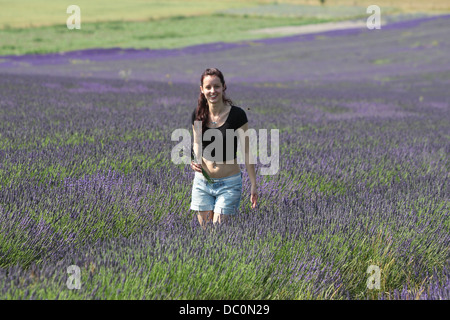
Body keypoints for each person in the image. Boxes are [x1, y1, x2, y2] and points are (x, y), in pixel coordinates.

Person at [190, 68, 257, 228]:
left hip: (229, 184)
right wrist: (195, 159)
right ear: (202, 90)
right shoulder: (198, 114)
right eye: (208, 87)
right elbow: (197, 143)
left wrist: (253, 183)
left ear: (223, 87)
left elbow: (247, 151)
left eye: (216, 86)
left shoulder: (237, 115)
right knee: (205, 234)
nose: (212, 91)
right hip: (202, 183)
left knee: (219, 234)